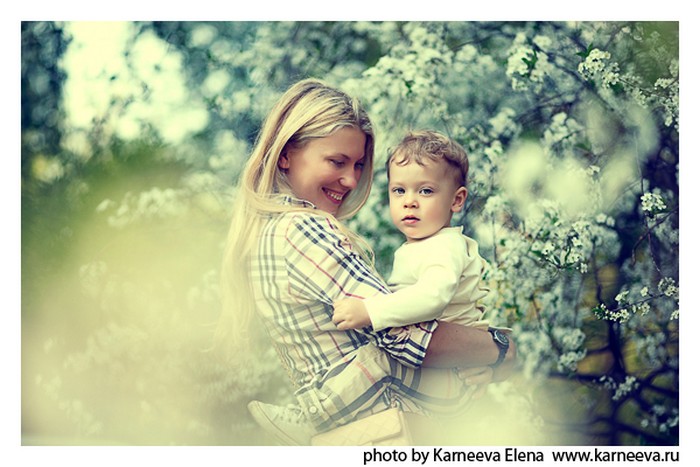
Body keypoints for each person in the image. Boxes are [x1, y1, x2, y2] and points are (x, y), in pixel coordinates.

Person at [218, 78, 516, 446]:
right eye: (337, 161)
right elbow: (405, 336)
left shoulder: (267, 233)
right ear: (285, 155)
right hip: (386, 433)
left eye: (358, 165)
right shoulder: (303, 230)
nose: (350, 179)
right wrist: (502, 348)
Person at [331, 130, 495, 335]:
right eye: (399, 190)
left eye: (426, 191)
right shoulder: (424, 244)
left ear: (456, 200)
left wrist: (370, 310)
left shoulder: (445, 246)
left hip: (454, 364)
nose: (409, 202)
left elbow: (432, 297)